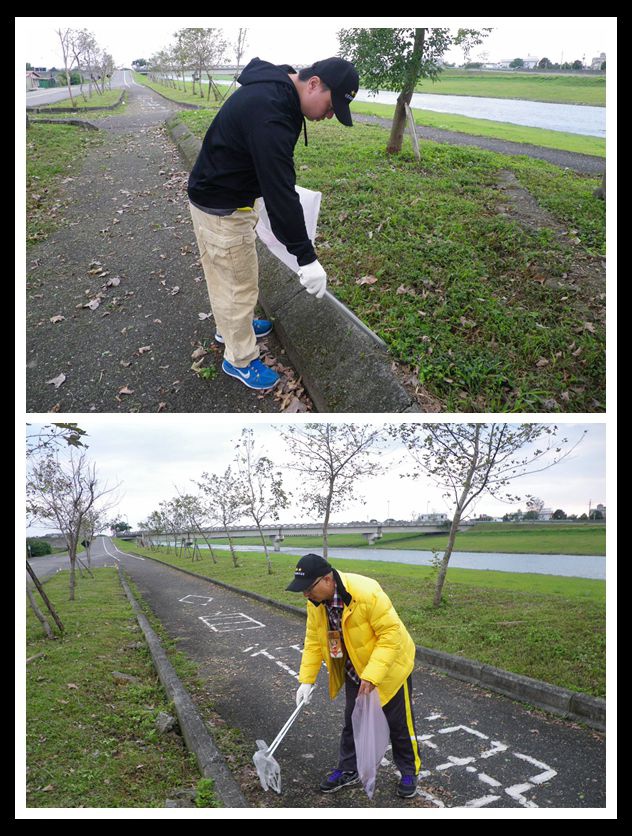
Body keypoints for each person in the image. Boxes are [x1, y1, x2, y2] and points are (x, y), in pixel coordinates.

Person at [187, 56, 359, 391]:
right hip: (223, 207)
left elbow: (271, 175)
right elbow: (279, 190)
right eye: (330, 105)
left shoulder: (276, 89)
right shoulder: (271, 110)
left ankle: (231, 328)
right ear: (313, 84)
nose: (329, 115)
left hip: (216, 195)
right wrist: (306, 257)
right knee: (240, 285)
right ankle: (239, 358)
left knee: (224, 276)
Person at [286, 553, 421, 798]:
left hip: (389, 667)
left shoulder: (366, 593)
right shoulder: (316, 603)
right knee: (352, 720)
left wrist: (372, 675)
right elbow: (314, 641)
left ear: (327, 580)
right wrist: (306, 680)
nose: (306, 595)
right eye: (303, 591)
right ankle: (348, 769)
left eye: (308, 589)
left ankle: (409, 771)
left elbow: (391, 635)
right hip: (353, 669)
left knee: (399, 724)